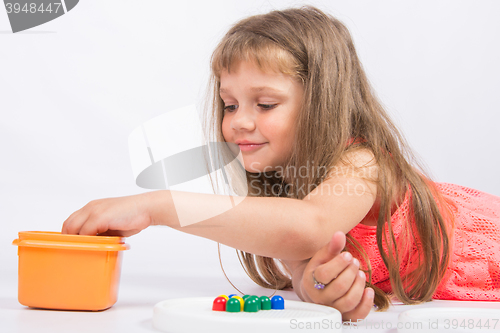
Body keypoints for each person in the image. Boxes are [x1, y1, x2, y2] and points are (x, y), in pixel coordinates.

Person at [62, 5, 500, 321]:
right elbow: (302, 261)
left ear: (322, 104)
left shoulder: (363, 163)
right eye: (229, 105)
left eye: (266, 104)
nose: (239, 122)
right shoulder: (279, 185)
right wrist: (319, 289)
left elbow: (308, 227)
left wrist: (156, 207)